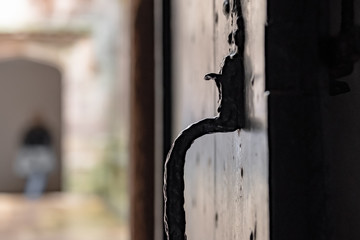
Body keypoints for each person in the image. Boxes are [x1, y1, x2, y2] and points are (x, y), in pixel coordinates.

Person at [14, 116, 55, 199]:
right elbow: (24, 143)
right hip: (30, 157)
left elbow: (49, 143)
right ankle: (31, 195)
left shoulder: (44, 131)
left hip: (42, 156)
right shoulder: (29, 131)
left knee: (40, 177)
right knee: (31, 178)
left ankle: (35, 195)